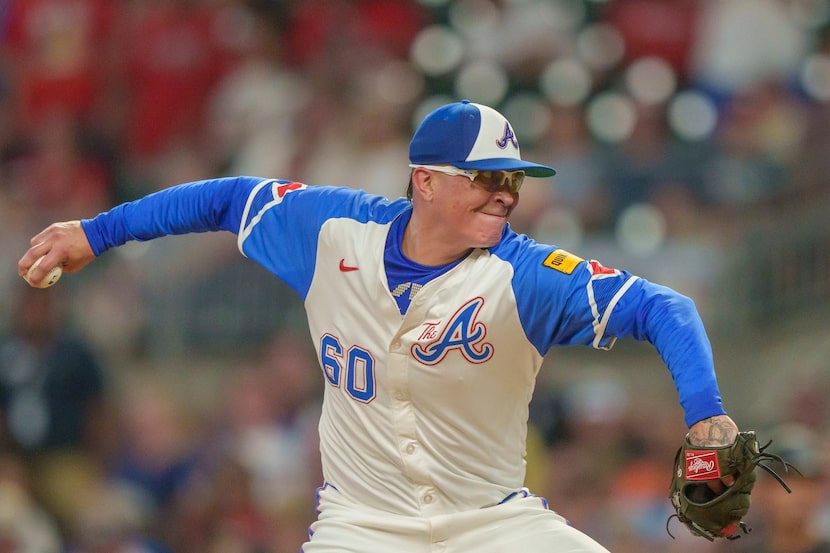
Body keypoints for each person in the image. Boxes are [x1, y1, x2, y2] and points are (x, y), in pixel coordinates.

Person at [18, 99, 740, 552]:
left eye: (513, 179)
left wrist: (707, 418)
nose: (506, 193)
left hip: (493, 523)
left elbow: (665, 308)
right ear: (425, 180)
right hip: (362, 526)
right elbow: (226, 198)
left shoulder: (525, 274)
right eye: (487, 177)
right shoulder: (333, 230)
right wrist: (96, 230)